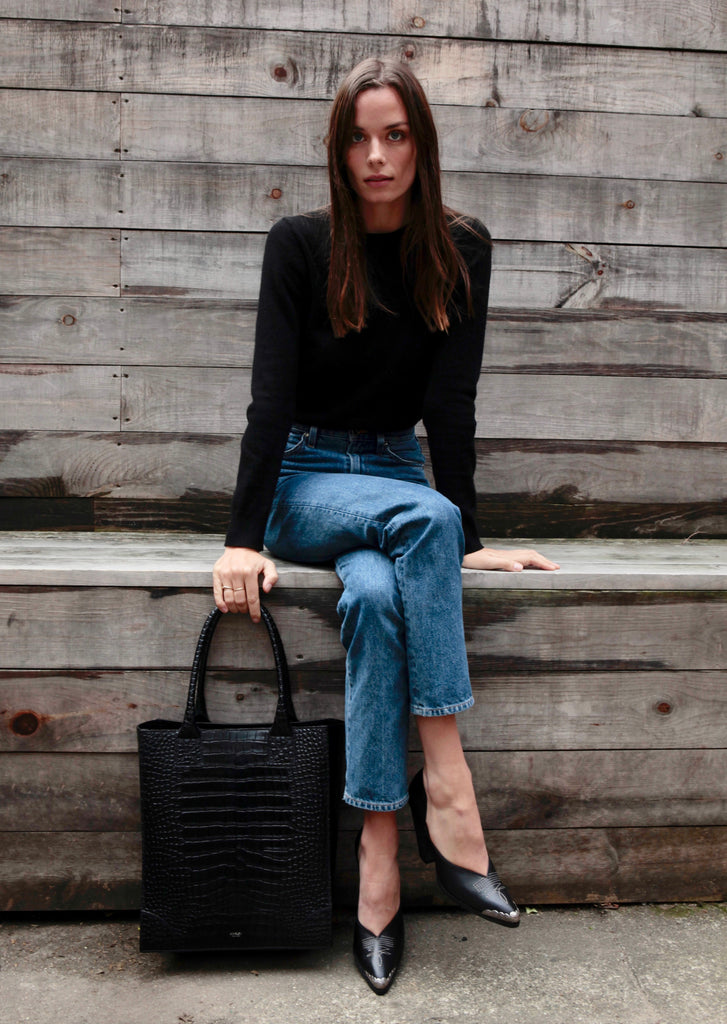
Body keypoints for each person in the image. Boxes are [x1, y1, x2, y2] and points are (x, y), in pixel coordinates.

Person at [213, 57, 559, 994]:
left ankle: (376, 857)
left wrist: (465, 533)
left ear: (421, 143)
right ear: (338, 148)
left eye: (395, 135)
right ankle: (445, 786)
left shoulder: (460, 249)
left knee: (373, 596)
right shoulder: (298, 244)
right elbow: (268, 400)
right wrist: (244, 535)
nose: (377, 156)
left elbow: (450, 405)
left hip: (400, 486)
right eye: (359, 138)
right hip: (304, 484)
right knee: (418, 524)